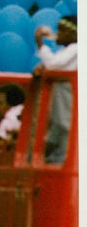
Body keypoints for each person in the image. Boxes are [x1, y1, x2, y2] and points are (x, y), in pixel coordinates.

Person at [35, 16, 77, 163]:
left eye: (62, 30)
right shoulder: (66, 51)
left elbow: (53, 64)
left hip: (67, 107)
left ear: (74, 35)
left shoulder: (76, 48)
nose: (57, 33)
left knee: (67, 135)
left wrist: (40, 42)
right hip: (58, 111)